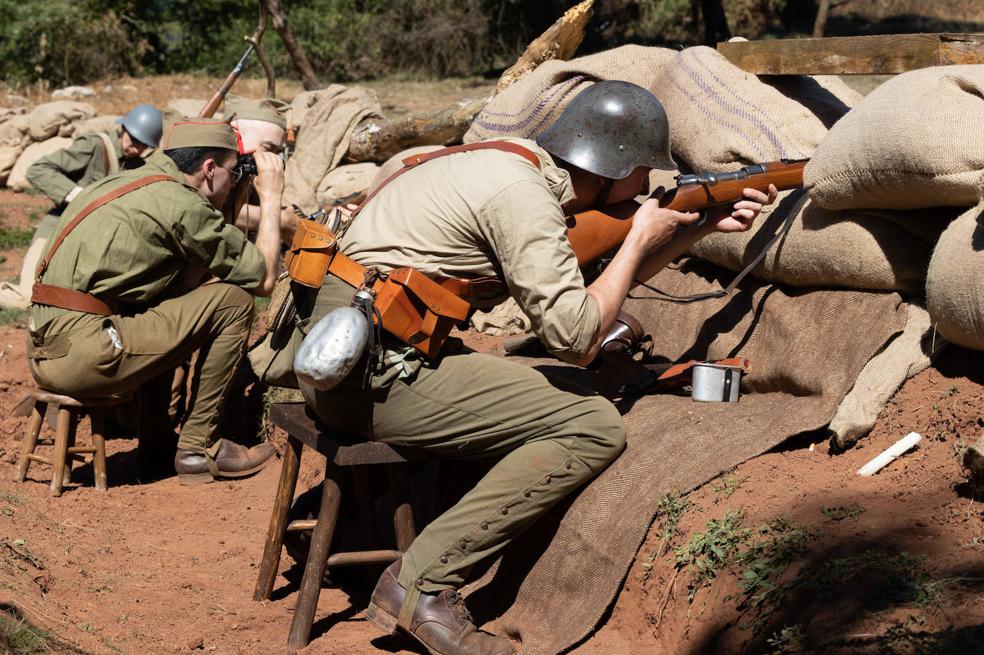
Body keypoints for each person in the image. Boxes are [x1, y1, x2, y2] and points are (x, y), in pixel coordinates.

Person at [294, 81, 776, 655]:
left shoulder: (508, 161)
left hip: (344, 355)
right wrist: (638, 238)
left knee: (568, 387)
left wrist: (694, 229)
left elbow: (596, 297)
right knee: (593, 426)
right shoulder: (522, 197)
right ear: (612, 167)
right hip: (373, 374)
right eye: (644, 170)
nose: (649, 184)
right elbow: (577, 337)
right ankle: (420, 585)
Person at [26, 116, 285, 484]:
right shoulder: (181, 204)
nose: (234, 182)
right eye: (232, 172)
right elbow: (264, 279)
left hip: (44, 347)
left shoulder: (125, 181)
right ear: (209, 169)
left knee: (163, 305)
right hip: (83, 356)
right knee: (234, 300)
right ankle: (199, 448)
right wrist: (271, 198)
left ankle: (157, 448)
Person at [0, 105, 163, 310]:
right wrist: (78, 195)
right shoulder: (94, 145)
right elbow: (39, 169)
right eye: (134, 140)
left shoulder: (138, 166)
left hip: (94, 244)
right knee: (27, 298)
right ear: (123, 129)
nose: (136, 149)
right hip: (58, 230)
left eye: (143, 145)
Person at [225, 97, 297, 243]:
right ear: (236, 137)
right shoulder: (209, 169)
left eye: (277, 152)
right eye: (268, 148)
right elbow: (214, 212)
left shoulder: (246, 176)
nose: (275, 158)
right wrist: (281, 219)